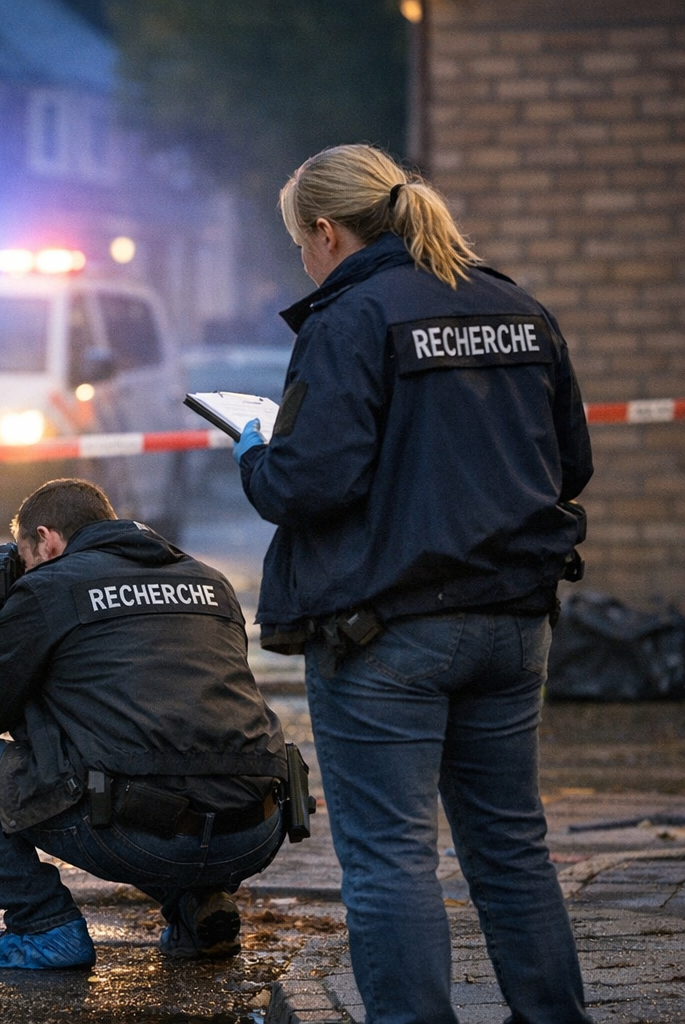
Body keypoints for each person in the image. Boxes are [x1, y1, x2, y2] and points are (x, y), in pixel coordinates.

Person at [235, 144, 593, 1024]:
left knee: (390, 857)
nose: (305, 261)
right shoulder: (516, 304)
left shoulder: (351, 318)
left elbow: (307, 484)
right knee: (511, 848)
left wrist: (252, 450)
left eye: (300, 244)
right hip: (514, 624)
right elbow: (570, 464)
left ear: (326, 231)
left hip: (387, 634)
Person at [0, 479, 289, 969]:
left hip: (143, 836)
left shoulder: (48, 588)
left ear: (47, 540)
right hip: (254, 831)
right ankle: (195, 907)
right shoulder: (209, 580)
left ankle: (43, 924)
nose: (22, 575)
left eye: (23, 559)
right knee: (152, 758)